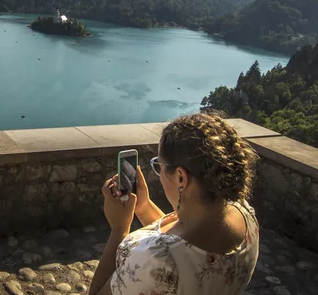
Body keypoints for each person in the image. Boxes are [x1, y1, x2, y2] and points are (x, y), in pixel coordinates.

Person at [89, 112, 260, 295]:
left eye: (159, 166)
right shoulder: (245, 216)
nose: (160, 173)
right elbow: (180, 241)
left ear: (180, 178)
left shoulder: (155, 263)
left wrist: (119, 229)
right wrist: (143, 207)